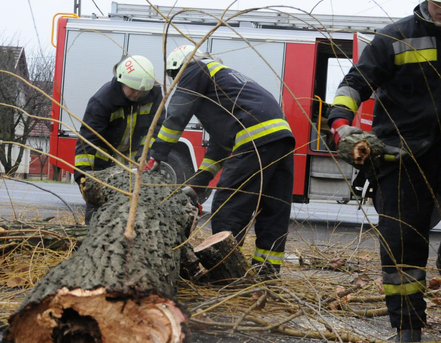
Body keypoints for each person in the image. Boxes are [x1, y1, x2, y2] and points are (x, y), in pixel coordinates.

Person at [325, 0, 441, 343]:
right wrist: (339, 122)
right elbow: (355, 82)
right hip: (399, 150)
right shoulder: (394, 38)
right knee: (402, 239)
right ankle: (408, 325)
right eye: (439, 2)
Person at [146, 45, 295, 276]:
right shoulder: (223, 84)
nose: (177, 82)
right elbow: (219, 148)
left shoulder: (195, 69)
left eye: (176, 77)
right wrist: (197, 185)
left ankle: (224, 271)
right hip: (282, 137)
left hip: (255, 136)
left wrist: (156, 155)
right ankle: (266, 271)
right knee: (274, 206)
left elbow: (176, 115)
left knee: (229, 204)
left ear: (180, 68)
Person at [74, 55, 164, 224]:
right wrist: (83, 176)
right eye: (133, 89)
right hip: (104, 160)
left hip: (135, 161)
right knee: (98, 206)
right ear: (121, 80)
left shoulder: (154, 93)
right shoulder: (103, 100)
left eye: (142, 91)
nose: (137, 94)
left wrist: (146, 155)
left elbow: (156, 127)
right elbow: (87, 140)